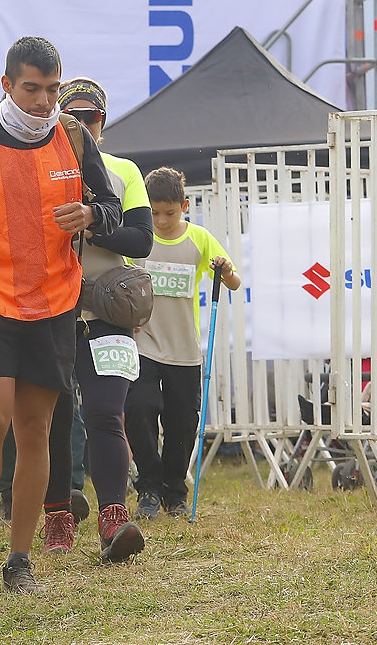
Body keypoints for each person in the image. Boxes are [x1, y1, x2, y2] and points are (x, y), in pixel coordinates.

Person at [0, 36, 124, 596]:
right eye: (32, 89)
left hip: (56, 298)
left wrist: (90, 213)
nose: (43, 101)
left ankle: (20, 558)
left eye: (53, 89)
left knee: (36, 427)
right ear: (7, 86)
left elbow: (112, 209)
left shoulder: (77, 138)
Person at [40, 78, 154, 561]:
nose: (83, 125)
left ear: (102, 123)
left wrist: (92, 219)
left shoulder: (124, 170)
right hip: (50, 311)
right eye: (74, 117)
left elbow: (142, 240)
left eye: (92, 117)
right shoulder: (38, 166)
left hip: (108, 313)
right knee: (53, 420)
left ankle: (114, 519)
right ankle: (58, 515)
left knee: (106, 413)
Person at [127, 166, 241, 520]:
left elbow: (233, 281)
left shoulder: (199, 239)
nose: (161, 220)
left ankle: (174, 491)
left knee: (182, 423)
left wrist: (225, 270)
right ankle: (148, 486)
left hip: (184, 349)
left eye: (169, 213)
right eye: (155, 212)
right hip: (144, 344)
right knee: (139, 412)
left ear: (185, 206)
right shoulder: (139, 239)